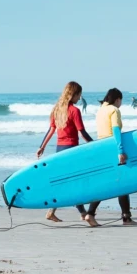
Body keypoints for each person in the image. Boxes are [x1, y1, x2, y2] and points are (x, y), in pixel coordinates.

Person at [37, 81, 93, 222]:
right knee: (75, 182)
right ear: (73, 94)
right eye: (79, 95)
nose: (79, 98)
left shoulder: (56, 109)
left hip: (59, 150)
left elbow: (51, 130)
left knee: (65, 182)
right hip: (71, 150)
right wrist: (95, 145)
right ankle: (82, 213)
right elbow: (82, 132)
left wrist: (42, 146)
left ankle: (52, 211)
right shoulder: (74, 111)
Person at [85, 88, 137, 227]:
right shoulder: (114, 110)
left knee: (107, 182)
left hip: (101, 148)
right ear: (117, 99)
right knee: (122, 183)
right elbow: (116, 130)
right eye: (121, 100)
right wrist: (120, 150)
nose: (120, 103)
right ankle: (126, 218)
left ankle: (90, 214)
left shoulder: (101, 110)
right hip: (112, 148)